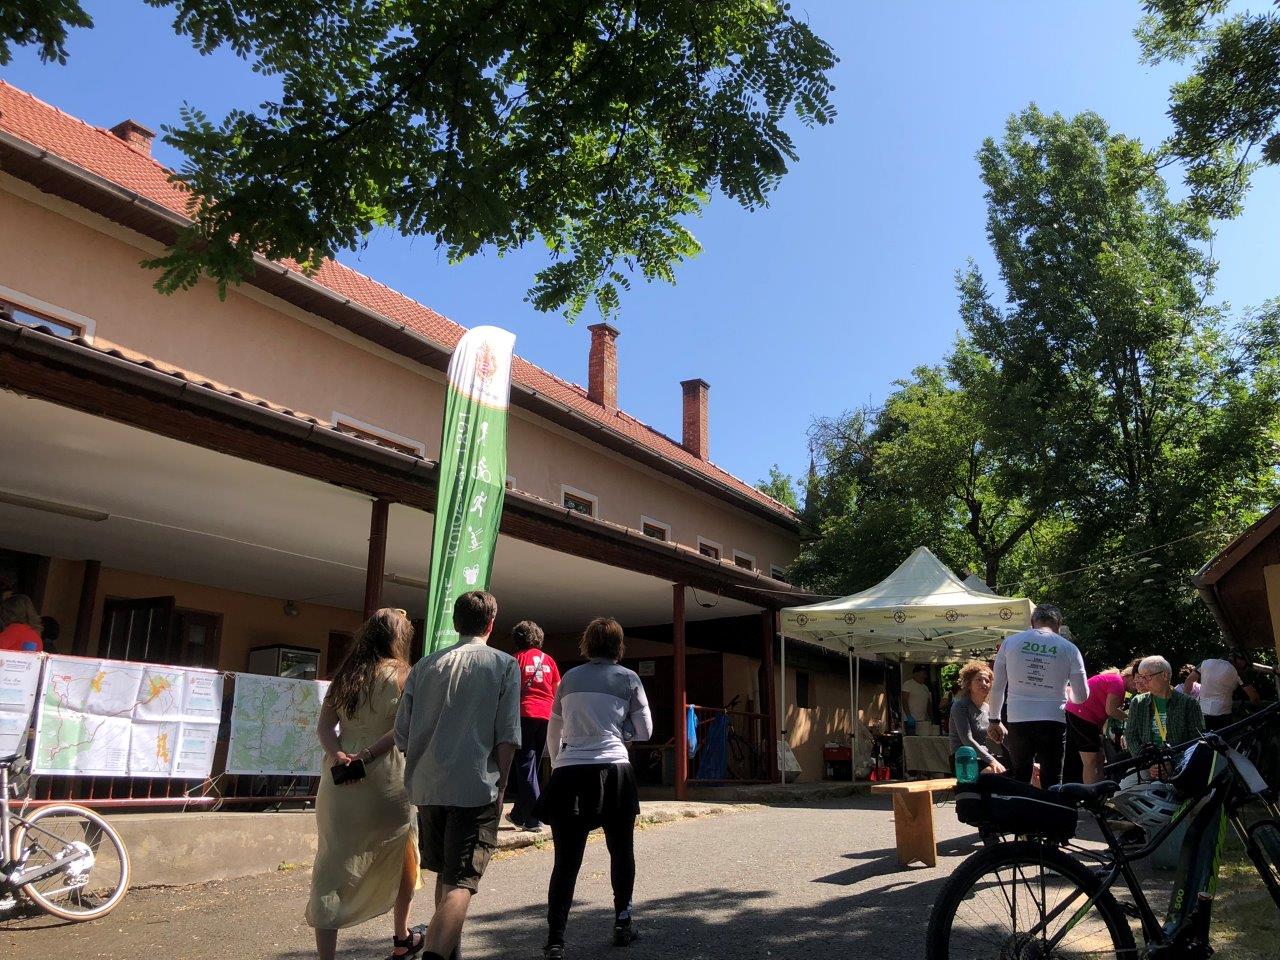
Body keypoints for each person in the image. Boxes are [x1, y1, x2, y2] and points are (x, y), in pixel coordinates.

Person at [395, 591, 520, 960]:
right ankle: (436, 955)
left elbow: (401, 733)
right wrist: (503, 786)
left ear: (455, 622)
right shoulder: (504, 665)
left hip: (427, 786)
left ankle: (447, 953)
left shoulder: (424, 666)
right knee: (462, 881)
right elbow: (507, 734)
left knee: (446, 875)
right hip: (475, 785)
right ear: (491, 624)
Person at [307, 609, 420, 960]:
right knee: (403, 855)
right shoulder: (405, 674)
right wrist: (367, 756)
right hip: (387, 777)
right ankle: (402, 937)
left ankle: (327, 955)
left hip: (339, 780)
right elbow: (402, 729)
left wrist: (340, 755)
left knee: (332, 864)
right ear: (400, 638)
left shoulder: (346, 675)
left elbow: (324, 727)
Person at [537, 617, 652, 959]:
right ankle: (622, 922)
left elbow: (554, 728)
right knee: (621, 851)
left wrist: (558, 762)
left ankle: (555, 939)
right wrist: (621, 731)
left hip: (569, 772)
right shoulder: (628, 679)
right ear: (619, 645)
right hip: (615, 770)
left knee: (565, 862)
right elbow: (645, 730)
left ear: (587, 643)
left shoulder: (569, 679)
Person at [989, 603, 1088, 790]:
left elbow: (998, 687)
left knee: (1021, 775)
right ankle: (1052, 808)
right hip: (1053, 719)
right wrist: (1069, 694)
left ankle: (1022, 808)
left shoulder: (1010, 643)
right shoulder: (1069, 649)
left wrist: (994, 719)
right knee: (1052, 779)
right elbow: (1081, 696)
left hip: (1018, 718)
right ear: (1059, 625)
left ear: (1032, 622)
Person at [507, 619, 560, 831]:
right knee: (532, 766)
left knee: (525, 766)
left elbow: (509, 691)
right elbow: (557, 690)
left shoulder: (515, 660)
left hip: (524, 714)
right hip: (546, 715)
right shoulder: (549, 660)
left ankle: (536, 817)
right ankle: (520, 815)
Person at [1124, 655, 1204, 756]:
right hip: (1147, 761)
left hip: (1179, 761)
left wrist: (1174, 761)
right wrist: (1146, 759)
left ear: (1165, 675)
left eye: (1147, 676)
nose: (1143, 681)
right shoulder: (1138, 703)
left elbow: (1196, 741)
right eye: (1141, 677)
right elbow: (1131, 737)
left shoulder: (1189, 704)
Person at [1064, 668, 1128, 784]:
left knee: (1099, 758)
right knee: (1091, 760)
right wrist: (1130, 717)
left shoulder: (1113, 679)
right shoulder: (1118, 682)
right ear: (1130, 676)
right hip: (1082, 716)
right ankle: (1092, 792)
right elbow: (1111, 710)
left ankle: (1099, 788)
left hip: (1082, 716)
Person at [948, 661, 1006, 775]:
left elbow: (1004, 734)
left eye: (987, 681)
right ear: (969, 684)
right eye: (979, 680)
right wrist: (992, 761)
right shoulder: (960, 706)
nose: (984, 683)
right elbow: (967, 739)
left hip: (983, 759)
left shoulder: (989, 708)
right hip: (963, 760)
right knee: (994, 773)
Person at [1198, 652, 1259, 730]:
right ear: (1237, 659)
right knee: (1224, 736)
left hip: (1203, 712)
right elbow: (1253, 695)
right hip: (1222, 713)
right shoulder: (1236, 670)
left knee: (1204, 736)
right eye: (1244, 662)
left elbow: (1189, 681)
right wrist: (1256, 705)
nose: (1244, 665)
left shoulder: (1206, 663)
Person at [900, 665, 933, 730]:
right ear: (916, 674)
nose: (925, 676)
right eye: (923, 673)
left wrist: (931, 717)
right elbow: (904, 701)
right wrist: (909, 716)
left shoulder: (925, 687)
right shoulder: (908, 684)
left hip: (922, 720)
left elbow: (928, 704)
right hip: (911, 720)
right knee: (912, 736)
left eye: (925, 674)